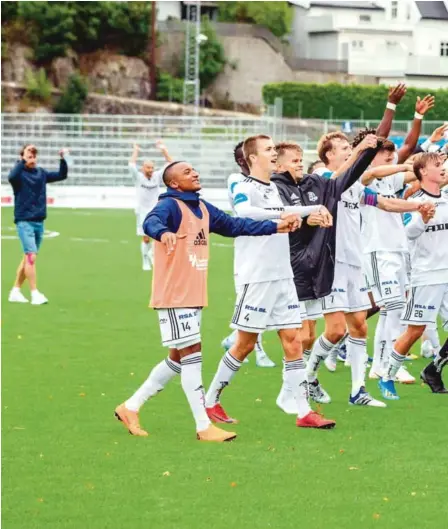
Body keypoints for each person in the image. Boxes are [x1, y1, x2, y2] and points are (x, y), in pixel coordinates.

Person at [115, 160, 300, 442]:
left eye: (194, 169)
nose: (195, 173)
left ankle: (130, 407)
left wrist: (276, 227)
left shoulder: (201, 207)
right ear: (174, 183)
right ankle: (203, 426)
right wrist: (162, 232)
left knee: (178, 359)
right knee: (192, 356)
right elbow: (150, 221)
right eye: (187, 172)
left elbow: (235, 225)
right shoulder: (169, 206)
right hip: (174, 295)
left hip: (193, 294)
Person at [204, 134, 336, 430]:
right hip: (257, 276)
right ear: (252, 158)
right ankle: (211, 400)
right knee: (244, 345)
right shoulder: (240, 183)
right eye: (268, 149)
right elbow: (244, 212)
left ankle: (303, 411)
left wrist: (313, 210)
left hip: (282, 275)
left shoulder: (274, 188)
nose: (274, 152)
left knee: (294, 341)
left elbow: (286, 214)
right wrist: (283, 218)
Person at [306, 124, 435, 408]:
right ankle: (308, 377)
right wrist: (363, 149)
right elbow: (335, 181)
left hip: (355, 261)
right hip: (332, 261)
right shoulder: (322, 176)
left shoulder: (353, 186)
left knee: (359, 327)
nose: (349, 151)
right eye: (343, 148)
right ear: (328, 154)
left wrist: (417, 207)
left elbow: (385, 203)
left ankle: (358, 391)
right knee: (336, 330)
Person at [351, 94, 435, 384]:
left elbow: (414, 157)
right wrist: (404, 166)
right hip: (377, 251)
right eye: (385, 154)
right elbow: (380, 170)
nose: (391, 156)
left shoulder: (390, 180)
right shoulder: (362, 178)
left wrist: (418, 119)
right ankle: (385, 365)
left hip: (399, 250)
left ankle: (384, 364)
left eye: (391, 154)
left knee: (395, 308)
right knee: (392, 308)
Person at [379, 153, 447, 400]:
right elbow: (407, 234)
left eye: (442, 165)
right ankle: (388, 376)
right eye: (436, 166)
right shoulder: (414, 201)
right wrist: (422, 219)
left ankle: (433, 369)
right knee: (414, 331)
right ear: (422, 173)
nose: (442, 169)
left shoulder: (447, 199)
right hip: (427, 276)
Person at [271, 141, 332, 414]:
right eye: (294, 159)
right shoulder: (275, 187)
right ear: (279, 164)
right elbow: (285, 220)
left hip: (309, 268)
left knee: (308, 335)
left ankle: (296, 387)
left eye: (300, 159)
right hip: (288, 268)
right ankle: (291, 391)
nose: (299, 163)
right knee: (296, 335)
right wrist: (309, 220)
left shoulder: (304, 185)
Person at [221, 141, 277, 368]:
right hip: (249, 247)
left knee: (266, 302)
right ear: (243, 160)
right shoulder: (237, 180)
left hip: (270, 246)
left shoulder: (268, 182)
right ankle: (257, 350)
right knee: (251, 304)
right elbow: (244, 209)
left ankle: (234, 339)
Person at [8, 144, 69, 305]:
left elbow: (61, 175)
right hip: (24, 221)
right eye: (29, 153)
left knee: (28, 257)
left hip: (39, 221)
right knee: (31, 256)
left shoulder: (41, 173)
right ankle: (35, 293)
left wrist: (63, 159)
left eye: (34, 154)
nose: (32, 156)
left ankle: (15, 291)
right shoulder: (18, 174)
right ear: (22, 157)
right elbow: (11, 176)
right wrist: (23, 160)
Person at [129, 140, 172, 271]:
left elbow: (171, 164)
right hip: (142, 211)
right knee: (146, 238)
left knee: (159, 235)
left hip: (156, 210)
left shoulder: (157, 177)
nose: (151, 170)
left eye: (152, 167)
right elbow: (131, 165)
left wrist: (164, 150)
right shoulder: (138, 177)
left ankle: (152, 255)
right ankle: (145, 260)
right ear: (143, 168)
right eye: (148, 167)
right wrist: (136, 150)